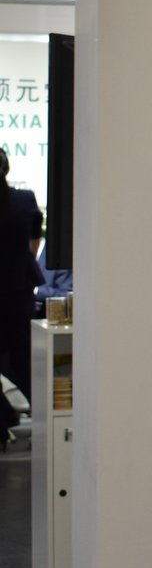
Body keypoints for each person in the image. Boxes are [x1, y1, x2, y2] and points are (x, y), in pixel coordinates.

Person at [0, 147, 44, 439]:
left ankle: (4, 418)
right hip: (18, 293)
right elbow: (34, 242)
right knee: (24, 361)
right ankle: (46, 420)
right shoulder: (24, 199)